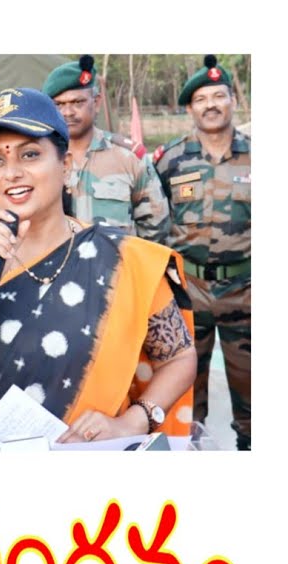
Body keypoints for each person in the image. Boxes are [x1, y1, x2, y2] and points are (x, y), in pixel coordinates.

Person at [0, 88, 197, 446]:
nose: (11, 173)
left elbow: (179, 356)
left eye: (29, 154)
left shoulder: (126, 260)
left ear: (66, 165)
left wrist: (136, 420)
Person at [154, 55, 251, 451]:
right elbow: (153, 221)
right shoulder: (170, 160)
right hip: (186, 291)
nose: (211, 104)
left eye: (219, 95)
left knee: (254, 392)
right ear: (190, 108)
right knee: (184, 393)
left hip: (247, 290)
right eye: (201, 98)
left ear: (233, 101)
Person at [43, 55, 170, 243]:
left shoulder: (128, 157)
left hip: (118, 269)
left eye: (78, 102)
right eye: (59, 104)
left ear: (96, 103)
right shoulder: (37, 158)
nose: (68, 112)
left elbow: (156, 227)